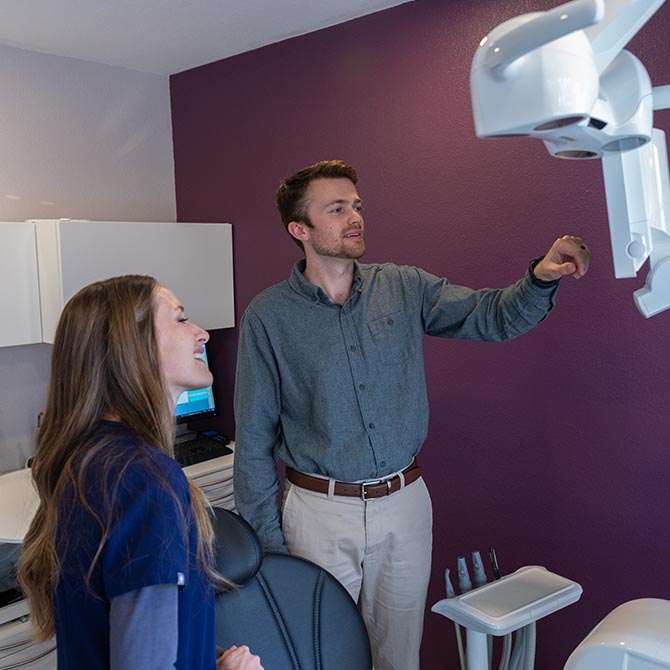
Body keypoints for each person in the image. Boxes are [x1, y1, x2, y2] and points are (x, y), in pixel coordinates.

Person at [233, 160, 591, 670]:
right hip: (317, 513)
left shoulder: (402, 287)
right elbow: (251, 439)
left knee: (399, 656)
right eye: (336, 209)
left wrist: (540, 277)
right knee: (315, 653)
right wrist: (270, 546)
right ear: (300, 229)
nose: (355, 216)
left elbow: (490, 316)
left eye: (356, 205)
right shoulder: (268, 317)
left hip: (404, 504)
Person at [18, 275, 262, 670]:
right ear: (133, 345)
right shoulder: (144, 478)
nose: (201, 334)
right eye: (181, 320)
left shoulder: (93, 459)